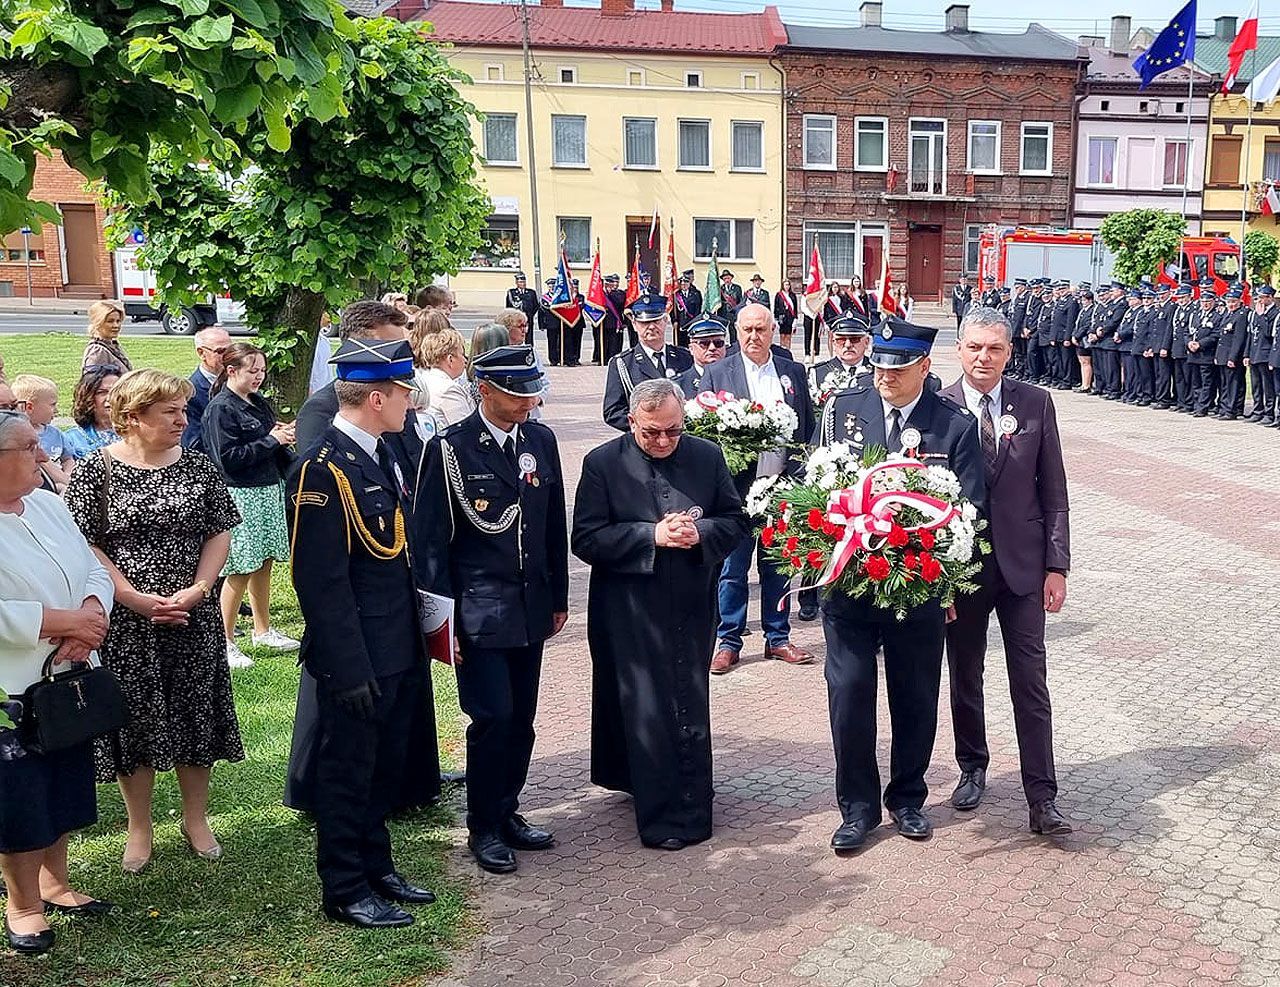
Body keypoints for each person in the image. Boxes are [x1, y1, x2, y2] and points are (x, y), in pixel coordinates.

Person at [64, 369, 244, 873]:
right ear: (133, 417)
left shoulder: (198, 465)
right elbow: (85, 543)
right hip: (128, 619)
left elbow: (219, 531)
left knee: (195, 712)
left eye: (183, 410)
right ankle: (139, 826)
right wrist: (129, 596)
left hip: (192, 613)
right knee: (135, 719)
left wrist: (200, 589)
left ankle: (196, 818)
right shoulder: (95, 470)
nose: (182, 420)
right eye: (170, 412)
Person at [816, 317, 984, 850]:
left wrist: (947, 581)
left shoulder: (953, 424)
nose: (885, 376)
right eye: (879, 366)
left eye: (899, 368)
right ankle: (857, 808)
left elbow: (971, 510)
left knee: (914, 696)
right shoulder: (842, 410)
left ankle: (908, 798)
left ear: (925, 366)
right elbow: (816, 487)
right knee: (849, 694)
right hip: (849, 587)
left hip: (917, 589)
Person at [287, 338, 437, 929]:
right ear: (377, 398)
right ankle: (346, 886)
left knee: (382, 767)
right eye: (403, 392)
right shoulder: (322, 469)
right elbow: (321, 583)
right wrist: (348, 667)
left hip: (396, 645)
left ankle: (378, 866)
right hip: (357, 655)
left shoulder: (380, 452)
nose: (409, 401)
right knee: (347, 773)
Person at [572, 379, 748, 849]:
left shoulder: (707, 456)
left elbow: (735, 521)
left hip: (691, 602)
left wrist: (701, 534)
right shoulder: (603, 464)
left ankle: (688, 803)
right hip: (629, 610)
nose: (664, 441)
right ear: (632, 422)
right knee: (645, 706)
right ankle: (662, 811)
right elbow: (586, 538)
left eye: (674, 430)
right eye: (652, 433)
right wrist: (651, 536)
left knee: (687, 698)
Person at [423, 344, 568, 875]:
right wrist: (441, 625)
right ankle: (482, 825)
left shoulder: (540, 440)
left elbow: (552, 523)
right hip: (479, 611)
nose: (529, 402)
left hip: (530, 607)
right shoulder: (450, 449)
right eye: (517, 394)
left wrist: (558, 598)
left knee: (522, 719)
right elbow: (431, 545)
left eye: (532, 392)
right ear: (485, 391)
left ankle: (507, 809)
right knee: (493, 717)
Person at [940, 308, 1072, 837]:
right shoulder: (939, 405)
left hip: (1024, 568)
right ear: (959, 349)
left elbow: (1054, 489)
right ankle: (972, 767)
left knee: (1030, 681)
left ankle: (1042, 797)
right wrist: (937, 577)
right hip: (963, 570)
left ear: (1009, 352)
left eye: (994, 348)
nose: (983, 357)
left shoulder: (1036, 403)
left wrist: (1057, 564)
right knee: (965, 673)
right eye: (974, 347)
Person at [0, 410, 115, 956]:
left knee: (63, 782)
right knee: (20, 796)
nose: (44, 454)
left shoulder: (48, 504)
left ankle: (55, 881)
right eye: (29, 447)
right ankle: (23, 904)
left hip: (68, 675)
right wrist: (62, 622)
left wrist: (92, 615)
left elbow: (92, 567)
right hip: (11, 688)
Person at [701, 303, 815, 675]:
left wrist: (797, 477)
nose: (754, 336)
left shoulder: (792, 372)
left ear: (772, 331)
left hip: (780, 490)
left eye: (761, 329)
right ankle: (728, 641)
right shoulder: (718, 373)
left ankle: (777, 638)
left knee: (778, 568)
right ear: (737, 332)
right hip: (735, 494)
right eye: (747, 329)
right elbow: (703, 438)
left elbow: (807, 429)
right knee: (732, 571)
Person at [201, 343, 298, 667]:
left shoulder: (257, 402)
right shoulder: (220, 409)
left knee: (264, 561)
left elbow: (264, 439)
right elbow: (227, 459)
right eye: (252, 371)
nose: (259, 377)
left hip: (268, 489)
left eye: (262, 371)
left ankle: (262, 629)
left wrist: (280, 435)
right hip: (241, 495)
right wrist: (272, 440)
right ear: (231, 371)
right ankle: (225, 641)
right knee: (241, 567)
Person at [602, 294, 693, 431]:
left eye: (656, 321)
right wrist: (648, 427)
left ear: (665, 321)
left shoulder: (685, 357)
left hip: (682, 435)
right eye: (644, 323)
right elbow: (612, 412)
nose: (651, 327)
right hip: (644, 439)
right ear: (634, 324)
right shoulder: (622, 364)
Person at [11, 375, 72, 490]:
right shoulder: (20, 438)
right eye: (52, 405)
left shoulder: (56, 433)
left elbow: (67, 458)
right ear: (29, 407)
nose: (57, 410)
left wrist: (68, 473)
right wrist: (68, 483)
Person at [411, 326, 473, 434]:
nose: (465, 360)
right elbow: (466, 431)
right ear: (450, 359)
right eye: (462, 354)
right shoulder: (449, 389)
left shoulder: (425, 378)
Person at [181, 326, 231, 455]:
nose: (228, 356)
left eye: (231, 350)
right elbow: (193, 444)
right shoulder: (191, 394)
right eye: (220, 351)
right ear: (201, 353)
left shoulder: (242, 382)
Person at [62, 366, 123, 462]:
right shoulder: (72, 439)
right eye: (102, 392)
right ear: (88, 397)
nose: (111, 397)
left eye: (116, 391)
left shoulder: (137, 433)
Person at [1214, 286, 1248, 421]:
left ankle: (1231, 410)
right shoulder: (1228, 314)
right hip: (1223, 354)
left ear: (1240, 301)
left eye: (1234, 301)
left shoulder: (1240, 315)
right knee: (1224, 383)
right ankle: (1224, 407)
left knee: (1233, 384)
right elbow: (1222, 337)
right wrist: (1218, 356)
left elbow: (1238, 339)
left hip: (1232, 356)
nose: (1231, 304)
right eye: (1229, 302)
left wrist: (1232, 358)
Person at [1188, 285, 1221, 417]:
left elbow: (1215, 335)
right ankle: (1197, 405)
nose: (1205, 304)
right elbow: (1187, 331)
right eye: (1203, 301)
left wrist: (1200, 344)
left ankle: (1203, 407)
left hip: (1206, 354)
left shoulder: (1217, 317)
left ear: (1213, 302)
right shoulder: (1195, 315)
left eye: (1208, 301)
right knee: (1196, 382)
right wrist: (1189, 343)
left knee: (1206, 382)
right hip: (1193, 354)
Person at [675, 315, 728, 398]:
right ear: (691, 349)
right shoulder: (678, 385)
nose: (712, 348)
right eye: (704, 343)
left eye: (718, 343)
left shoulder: (738, 377)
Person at [81, 300, 132, 375]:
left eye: (118, 321)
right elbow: (92, 379)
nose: (116, 325)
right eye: (110, 321)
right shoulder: (97, 351)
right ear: (98, 323)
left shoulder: (112, 345)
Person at [505, 272, 541, 345]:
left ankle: (529, 348)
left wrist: (530, 314)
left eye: (524, 282)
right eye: (520, 282)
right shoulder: (512, 293)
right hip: (516, 319)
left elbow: (536, 305)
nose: (523, 284)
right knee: (516, 335)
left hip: (528, 318)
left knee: (529, 336)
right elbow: (508, 307)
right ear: (516, 283)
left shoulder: (531, 292)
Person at [672, 271, 702, 348]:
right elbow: (672, 310)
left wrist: (696, 321)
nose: (684, 285)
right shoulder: (675, 295)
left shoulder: (696, 294)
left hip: (692, 323)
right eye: (682, 284)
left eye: (686, 284)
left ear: (689, 284)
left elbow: (698, 308)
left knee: (692, 343)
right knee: (681, 345)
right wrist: (674, 321)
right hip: (680, 323)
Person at [774, 277, 799, 352]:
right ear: (782, 285)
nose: (787, 286)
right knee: (782, 336)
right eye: (785, 285)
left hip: (790, 318)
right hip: (781, 318)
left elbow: (795, 308)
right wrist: (776, 319)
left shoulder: (792, 295)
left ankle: (788, 351)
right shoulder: (779, 295)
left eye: (788, 285)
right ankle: (782, 352)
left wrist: (795, 319)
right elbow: (776, 308)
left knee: (788, 336)